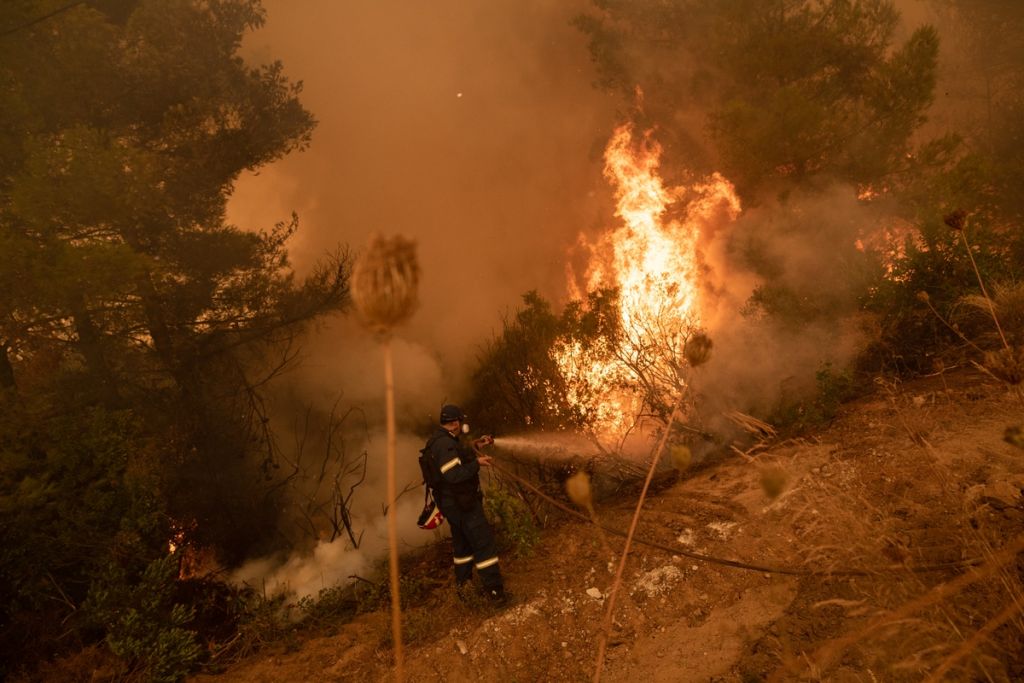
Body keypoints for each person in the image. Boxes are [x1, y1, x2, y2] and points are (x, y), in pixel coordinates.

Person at [421, 403, 506, 604]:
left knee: (463, 547)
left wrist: (478, 444)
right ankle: (495, 593)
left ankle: (464, 589)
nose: (460, 425)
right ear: (455, 423)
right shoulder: (445, 444)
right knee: (483, 543)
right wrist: (477, 463)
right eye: (459, 421)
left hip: (453, 505)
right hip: (462, 505)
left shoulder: (441, 440)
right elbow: (453, 474)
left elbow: (458, 453)